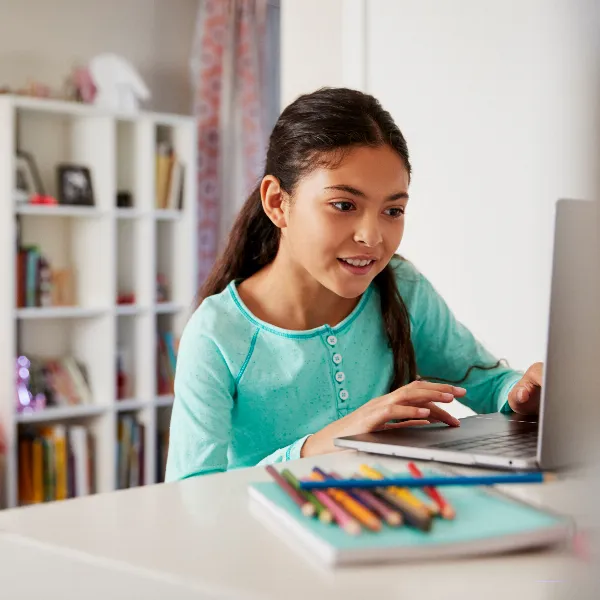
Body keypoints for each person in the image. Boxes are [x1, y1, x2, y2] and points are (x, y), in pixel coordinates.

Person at [165, 88, 543, 481]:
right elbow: (190, 496)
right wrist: (324, 443)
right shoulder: (217, 335)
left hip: (385, 527)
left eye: (392, 210)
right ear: (278, 202)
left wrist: (520, 392)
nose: (373, 236)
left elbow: (486, 382)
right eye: (344, 205)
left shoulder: (402, 289)